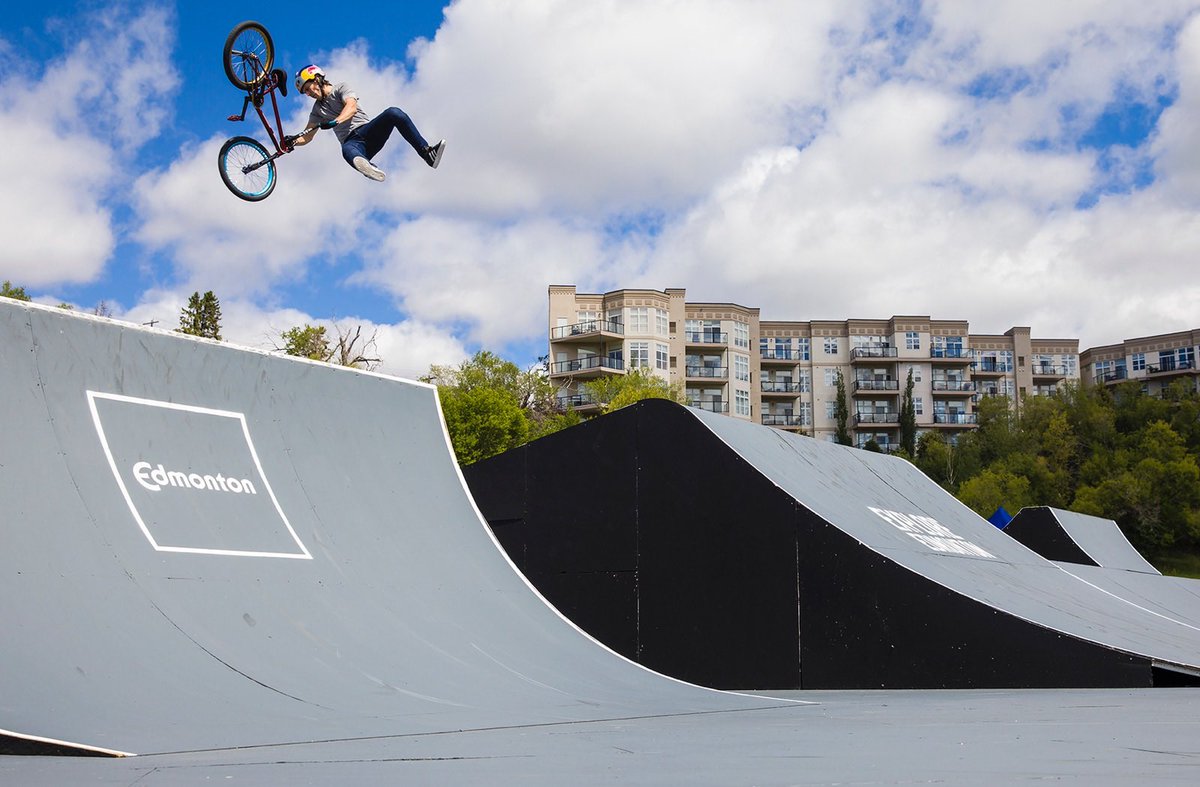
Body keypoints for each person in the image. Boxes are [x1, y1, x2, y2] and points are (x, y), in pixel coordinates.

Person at [285, 65, 445, 181]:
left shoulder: (341, 88)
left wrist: (335, 122)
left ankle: (427, 153)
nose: (309, 93)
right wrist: (292, 142)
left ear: (318, 79)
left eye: (309, 87)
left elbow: (351, 107)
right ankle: (368, 167)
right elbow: (308, 135)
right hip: (353, 144)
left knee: (393, 112)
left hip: (368, 132)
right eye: (305, 92)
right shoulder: (317, 110)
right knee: (346, 150)